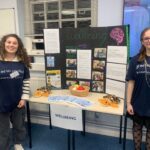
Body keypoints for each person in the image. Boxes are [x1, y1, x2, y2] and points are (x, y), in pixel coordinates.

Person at [0, 34, 31, 150]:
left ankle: (18, 143)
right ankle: (5, 147)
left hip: (18, 102)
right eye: (9, 42)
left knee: (19, 126)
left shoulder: (22, 63)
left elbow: (26, 81)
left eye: (14, 43)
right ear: (4, 43)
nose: (11, 45)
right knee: (3, 130)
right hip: (1, 102)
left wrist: (24, 98)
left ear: (18, 46)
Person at [126, 27, 150, 150]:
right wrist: (128, 103)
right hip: (138, 103)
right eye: (146, 38)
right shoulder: (135, 60)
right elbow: (131, 82)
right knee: (137, 129)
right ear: (142, 41)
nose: (149, 40)